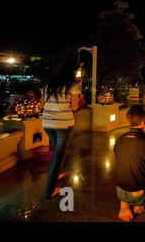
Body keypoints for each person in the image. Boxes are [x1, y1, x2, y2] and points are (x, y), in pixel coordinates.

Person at [41, 60, 84, 199]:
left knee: (56, 150)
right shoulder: (72, 86)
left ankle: (55, 172)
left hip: (47, 123)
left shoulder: (47, 84)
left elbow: (42, 104)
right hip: (63, 125)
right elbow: (74, 107)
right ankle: (49, 190)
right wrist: (79, 97)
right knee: (59, 154)